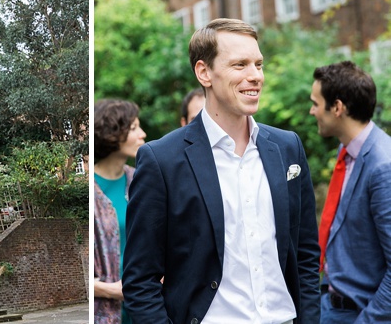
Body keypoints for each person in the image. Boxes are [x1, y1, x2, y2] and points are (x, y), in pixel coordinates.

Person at [123, 18, 320, 323]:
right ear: (204, 72)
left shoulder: (287, 147)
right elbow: (140, 281)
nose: (255, 76)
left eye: (259, 64)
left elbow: (306, 254)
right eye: (240, 65)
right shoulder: (161, 160)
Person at [310, 61, 391, 322]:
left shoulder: (383, 167)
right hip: (331, 304)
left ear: (337, 108)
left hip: (361, 314)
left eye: (316, 103)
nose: (312, 111)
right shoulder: (347, 151)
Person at [93, 99, 146, 324]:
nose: (143, 134)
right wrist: (111, 290)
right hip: (105, 313)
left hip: (145, 309)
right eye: (134, 128)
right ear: (111, 133)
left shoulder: (142, 180)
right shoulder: (92, 190)